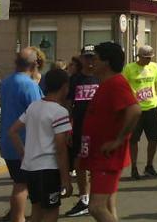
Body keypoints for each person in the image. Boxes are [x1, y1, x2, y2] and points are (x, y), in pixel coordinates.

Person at [81, 42, 140, 222]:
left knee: (96, 207)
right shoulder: (106, 84)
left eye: (96, 59)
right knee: (107, 205)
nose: (92, 63)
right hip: (100, 154)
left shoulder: (116, 83)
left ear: (106, 62)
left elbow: (135, 110)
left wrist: (119, 139)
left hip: (108, 157)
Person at [8, 68, 72, 222]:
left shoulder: (33, 107)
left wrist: (24, 153)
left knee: (36, 210)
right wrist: (65, 179)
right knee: (51, 213)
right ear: (64, 87)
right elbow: (60, 149)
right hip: (48, 169)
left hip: (30, 168)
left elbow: (13, 131)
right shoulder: (60, 112)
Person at [0, 47, 44, 222]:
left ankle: (17, 216)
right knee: (22, 185)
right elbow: (38, 113)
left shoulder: (7, 81)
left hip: (7, 141)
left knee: (19, 182)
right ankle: (18, 218)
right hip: (23, 143)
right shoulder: (29, 85)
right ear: (34, 64)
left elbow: (3, 104)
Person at [64, 46, 101, 217]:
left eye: (92, 58)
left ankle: (96, 197)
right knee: (79, 163)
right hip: (79, 127)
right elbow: (68, 104)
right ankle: (84, 198)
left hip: (97, 129)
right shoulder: (75, 79)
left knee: (96, 164)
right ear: (82, 59)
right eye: (87, 57)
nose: (90, 61)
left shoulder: (101, 78)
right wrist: (68, 128)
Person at [122, 45, 157, 179]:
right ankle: (134, 167)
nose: (148, 60)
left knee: (154, 138)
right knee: (133, 139)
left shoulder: (154, 67)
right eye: (146, 58)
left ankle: (149, 165)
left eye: (150, 58)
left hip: (151, 106)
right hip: (136, 108)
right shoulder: (129, 68)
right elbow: (123, 86)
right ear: (139, 57)